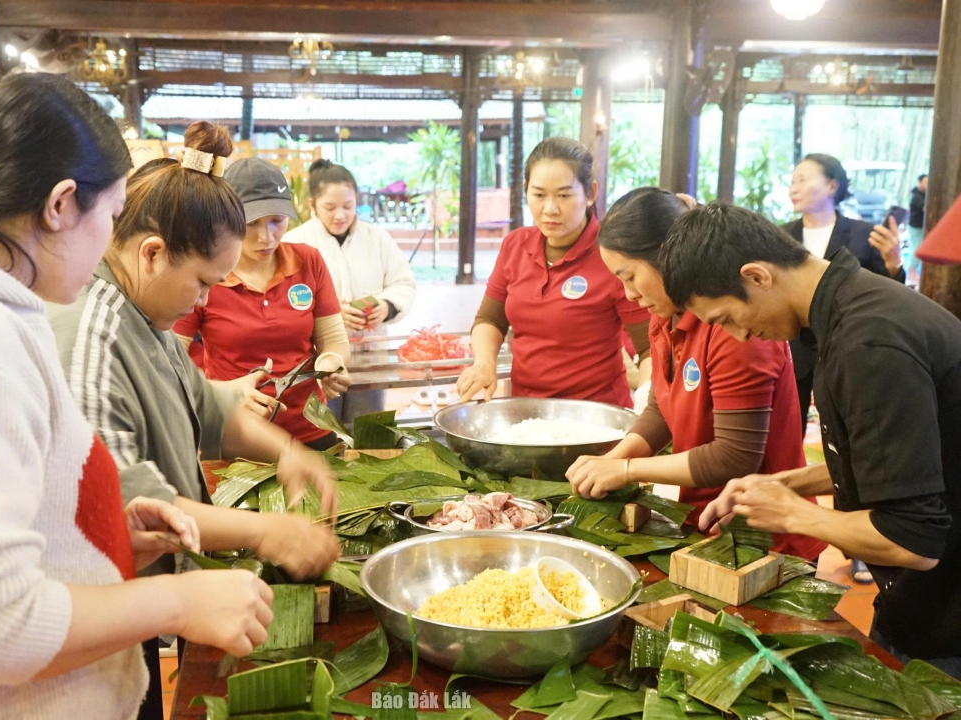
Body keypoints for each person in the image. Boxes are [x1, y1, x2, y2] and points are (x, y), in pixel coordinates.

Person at [0, 73, 274, 719]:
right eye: (113, 216)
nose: (109, 243)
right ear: (62, 204)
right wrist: (179, 602)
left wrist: (94, 534)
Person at [48, 122, 341, 719]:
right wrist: (268, 532)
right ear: (152, 253)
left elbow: (209, 407)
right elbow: (126, 505)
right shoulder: (94, 334)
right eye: (204, 282)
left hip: (142, 602)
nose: (206, 302)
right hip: (98, 624)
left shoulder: (143, 316)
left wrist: (287, 452)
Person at [662, 201, 961, 678]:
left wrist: (790, 513)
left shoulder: (868, 341)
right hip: (915, 605)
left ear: (757, 276)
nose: (737, 337)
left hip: (947, 620)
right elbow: (907, 457)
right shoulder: (850, 309)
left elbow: (914, 540)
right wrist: (789, 483)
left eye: (725, 318)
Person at [566, 188, 824, 560]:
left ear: (666, 257)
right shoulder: (663, 316)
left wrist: (626, 470)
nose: (628, 294)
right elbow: (662, 407)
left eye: (631, 276)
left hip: (762, 540)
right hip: (704, 526)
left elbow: (733, 457)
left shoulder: (736, 325)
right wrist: (613, 460)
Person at [457, 137, 652, 408]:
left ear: (591, 193)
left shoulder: (613, 254)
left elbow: (649, 347)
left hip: (595, 416)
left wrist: (646, 400)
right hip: (524, 412)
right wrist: (484, 363)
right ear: (525, 191)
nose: (550, 209)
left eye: (564, 195)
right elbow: (490, 318)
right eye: (538, 195)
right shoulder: (515, 245)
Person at [176, 158, 351, 451]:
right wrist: (223, 393)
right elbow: (171, 361)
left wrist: (330, 364)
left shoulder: (308, 261)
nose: (265, 237)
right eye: (250, 223)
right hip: (235, 434)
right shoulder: (207, 272)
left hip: (311, 428)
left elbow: (333, 340)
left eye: (276, 221)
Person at [283, 159, 416, 423]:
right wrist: (329, 316)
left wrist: (386, 306)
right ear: (312, 205)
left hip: (371, 357)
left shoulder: (377, 238)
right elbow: (282, 303)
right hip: (317, 361)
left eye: (348, 206)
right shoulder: (295, 242)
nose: (340, 215)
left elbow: (404, 283)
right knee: (325, 433)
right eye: (329, 208)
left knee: (368, 430)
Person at [784, 153, 905, 436]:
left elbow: (885, 294)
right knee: (789, 429)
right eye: (792, 182)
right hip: (795, 349)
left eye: (802, 180)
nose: (794, 188)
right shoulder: (780, 236)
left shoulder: (864, 234)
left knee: (848, 428)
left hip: (846, 346)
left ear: (831, 186)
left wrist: (894, 263)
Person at [908, 173, 928, 275]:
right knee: (917, 249)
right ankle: (912, 271)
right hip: (916, 227)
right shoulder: (917, 196)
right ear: (919, 182)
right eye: (925, 182)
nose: (927, 184)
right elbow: (926, 209)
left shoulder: (924, 195)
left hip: (921, 227)